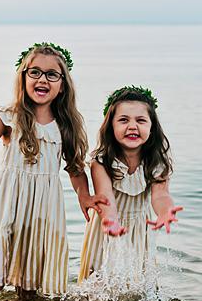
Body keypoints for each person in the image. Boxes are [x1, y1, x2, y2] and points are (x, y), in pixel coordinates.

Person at [0, 42, 106, 301]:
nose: (42, 79)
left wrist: (85, 196)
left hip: (44, 208)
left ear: (62, 84)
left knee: (31, 286)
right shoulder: (9, 116)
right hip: (7, 202)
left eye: (52, 74)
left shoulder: (66, 126)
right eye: (35, 72)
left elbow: (75, 169)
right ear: (23, 77)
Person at [78, 86, 183, 282]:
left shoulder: (156, 161)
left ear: (152, 128)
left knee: (137, 283)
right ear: (111, 127)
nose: (133, 126)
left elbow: (160, 195)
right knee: (97, 285)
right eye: (124, 120)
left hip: (137, 228)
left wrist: (165, 211)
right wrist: (111, 220)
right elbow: (105, 196)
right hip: (107, 226)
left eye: (141, 120)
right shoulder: (101, 162)